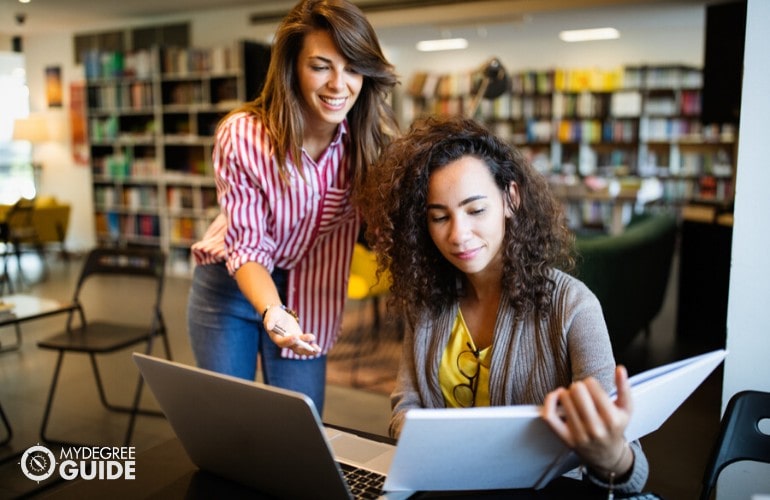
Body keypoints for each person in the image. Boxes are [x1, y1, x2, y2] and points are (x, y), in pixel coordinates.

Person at [357, 115, 648, 494]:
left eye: (475, 210)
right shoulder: (427, 301)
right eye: (439, 217)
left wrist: (612, 456)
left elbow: (629, 464)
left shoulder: (573, 306)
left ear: (511, 199)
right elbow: (404, 405)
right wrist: (420, 436)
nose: (458, 234)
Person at [187, 0, 399, 414]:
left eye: (353, 68)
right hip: (230, 288)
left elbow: (383, 233)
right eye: (321, 66)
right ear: (292, 68)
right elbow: (247, 246)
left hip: (311, 290)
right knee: (230, 421)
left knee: (300, 426)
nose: (339, 85)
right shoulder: (245, 135)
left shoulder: (369, 145)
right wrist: (273, 312)